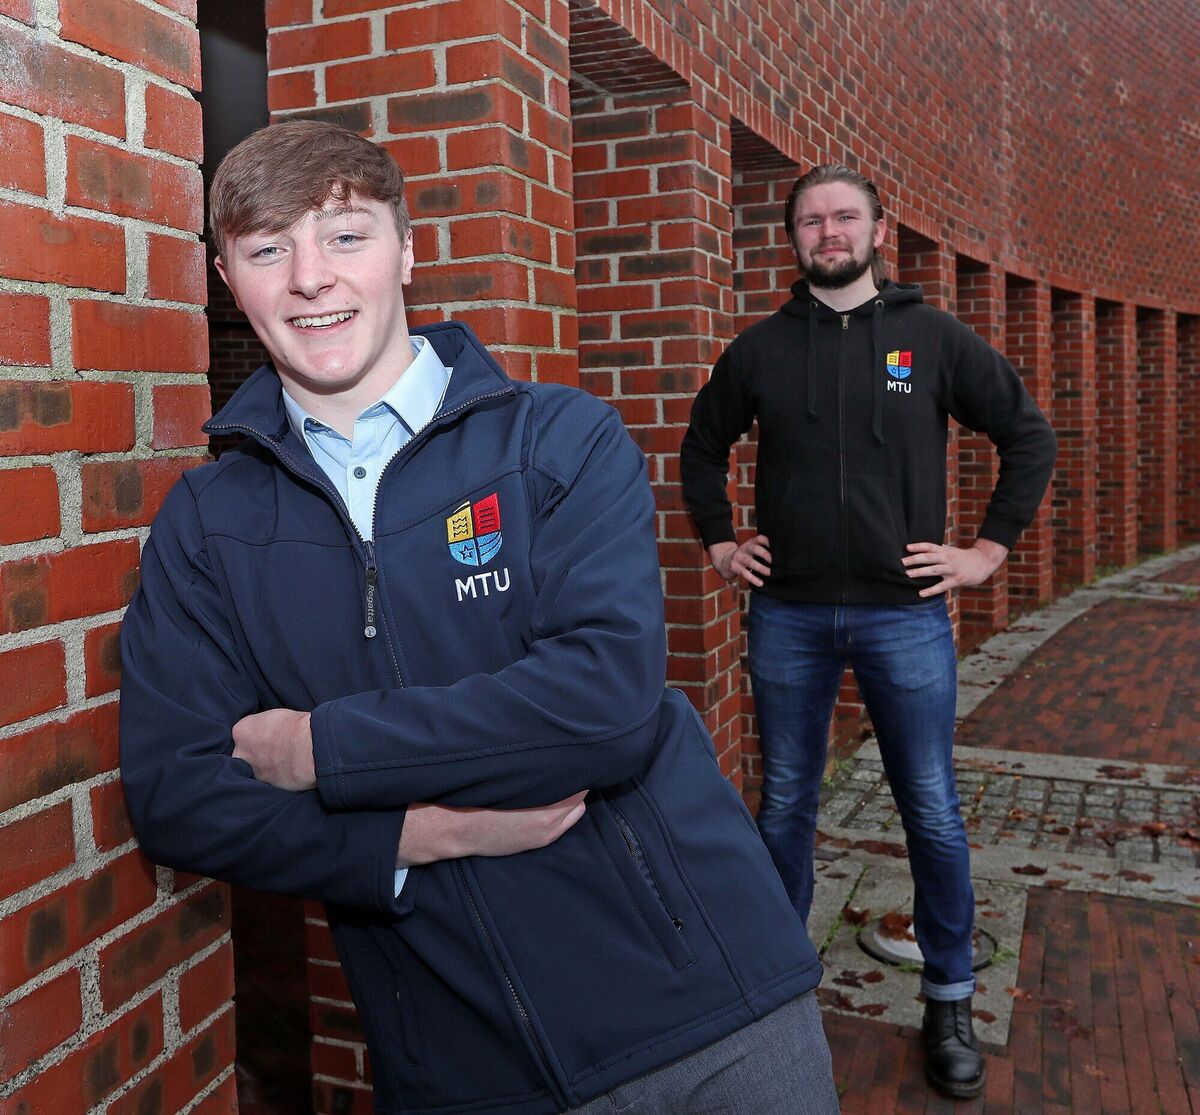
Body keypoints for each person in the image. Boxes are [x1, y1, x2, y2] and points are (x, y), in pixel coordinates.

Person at [119, 121, 840, 1115]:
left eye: (345, 235)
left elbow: (602, 707)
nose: (311, 278)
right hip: (460, 1066)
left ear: (407, 251)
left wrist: (321, 748)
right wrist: (407, 837)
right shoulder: (209, 523)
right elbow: (176, 794)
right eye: (268, 249)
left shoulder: (557, 440)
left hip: (708, 1017)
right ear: (226, 280)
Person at [680, 164, 1056, 1100]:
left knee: (930, 804)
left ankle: (950, 995)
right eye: (811, 220)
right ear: (794, 239)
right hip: (790, 614)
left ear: (879, 232)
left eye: (845, 216)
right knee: (784, 804)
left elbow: (1028, 435)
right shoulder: (761, 348)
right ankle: (776, 991)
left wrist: (986, 551)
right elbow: (701, 445)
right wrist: (722, 542)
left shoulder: (932, 338)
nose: (829, 231)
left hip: (905, 616)